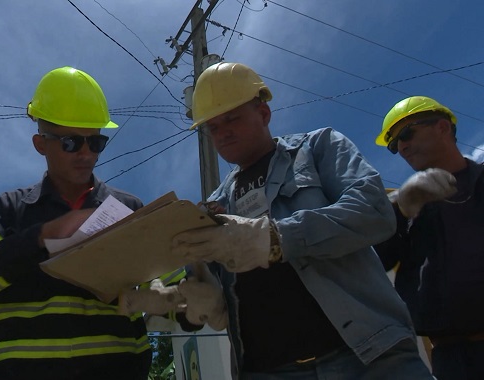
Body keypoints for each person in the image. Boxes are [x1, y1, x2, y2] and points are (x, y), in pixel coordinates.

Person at [120, 62, 433, 379]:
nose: (223, 132)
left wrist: (275, 238)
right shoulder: (214, 206)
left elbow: (373, 211)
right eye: (212, 127)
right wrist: (185, 301)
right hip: (267, 369)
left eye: (232, 118)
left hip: (368, 357)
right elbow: (212, 293)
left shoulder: (318, 148)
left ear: (264, 113)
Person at [0, 67, 160, 380]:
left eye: (96, 142)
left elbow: (160, 284)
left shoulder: (128, 209)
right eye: (72, 143)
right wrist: (39, 238)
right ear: (40, 143)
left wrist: (180, 298)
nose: (86, 153)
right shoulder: (9, 210)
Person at [373, 96, 484, 379]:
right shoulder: (400, 209)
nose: (402, 146)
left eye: (407, 133)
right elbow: (376, 262)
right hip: (453, 358)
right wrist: (401, 210)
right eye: (394, 145)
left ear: (443, 127)